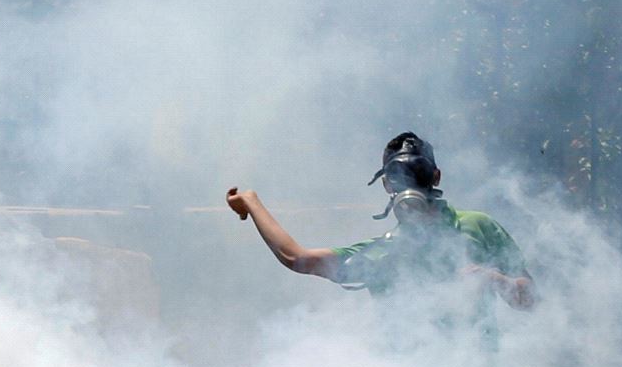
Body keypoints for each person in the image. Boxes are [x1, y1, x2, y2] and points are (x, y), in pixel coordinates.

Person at [226, 132, 536, 311]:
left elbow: (532, 301)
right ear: (387, 185)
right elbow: (298, 258)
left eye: (418, 172)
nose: (409, 183)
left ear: (436, 175)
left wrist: (496, 280)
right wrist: (252, 203)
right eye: (398, 176)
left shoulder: (479, 226)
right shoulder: (385, 254)